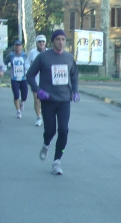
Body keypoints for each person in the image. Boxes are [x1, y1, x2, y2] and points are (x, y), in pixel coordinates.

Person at [26, 30, 79, 175]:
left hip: (64, 100)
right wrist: (37, 90)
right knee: (50, 130)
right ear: (53, 41)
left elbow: (74, 75)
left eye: (63, 39)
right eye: (58, 39)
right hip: (48, 100)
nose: (61, 42)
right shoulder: (43, 57)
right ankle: (46, 144)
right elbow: (30, 75)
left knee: (63, 130)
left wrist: (75, 91)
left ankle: (57, 161)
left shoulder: (68, 58)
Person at [25, 34, 48, 126]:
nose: (41, 43)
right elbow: (27, 64)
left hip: (47, 81)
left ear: (45, 43)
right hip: (35, 80)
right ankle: (39, 117)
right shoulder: (32, 53)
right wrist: (31, 69)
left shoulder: (49, 53)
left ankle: (45, 115)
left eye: (43, 41)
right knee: (37, 99)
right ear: (36, 43)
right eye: (39, 42)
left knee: (46, 101)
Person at [4, 40, 28, 119]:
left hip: (23, 78)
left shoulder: (25, 55)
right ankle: (18, 111)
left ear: (22, 46)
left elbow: (29, 65)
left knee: (24, 96)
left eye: (19, 45)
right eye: (16, 45)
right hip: (14, 78)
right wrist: (3, 70)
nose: (18, 47)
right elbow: (4, 63)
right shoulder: (10, 56)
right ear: (14, 46)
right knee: (16, 95)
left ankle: (22, 102)